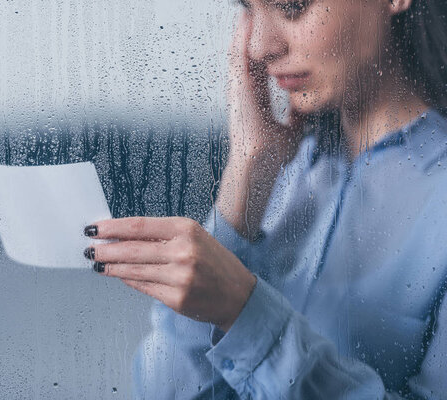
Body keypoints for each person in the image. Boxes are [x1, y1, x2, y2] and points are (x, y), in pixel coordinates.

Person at [82, 0, 447, 398]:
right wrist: (245, 174)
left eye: (292, 6)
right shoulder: (290, 174)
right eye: (249, 9)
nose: (259, 46)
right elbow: (164, 391)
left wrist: (243, 312)